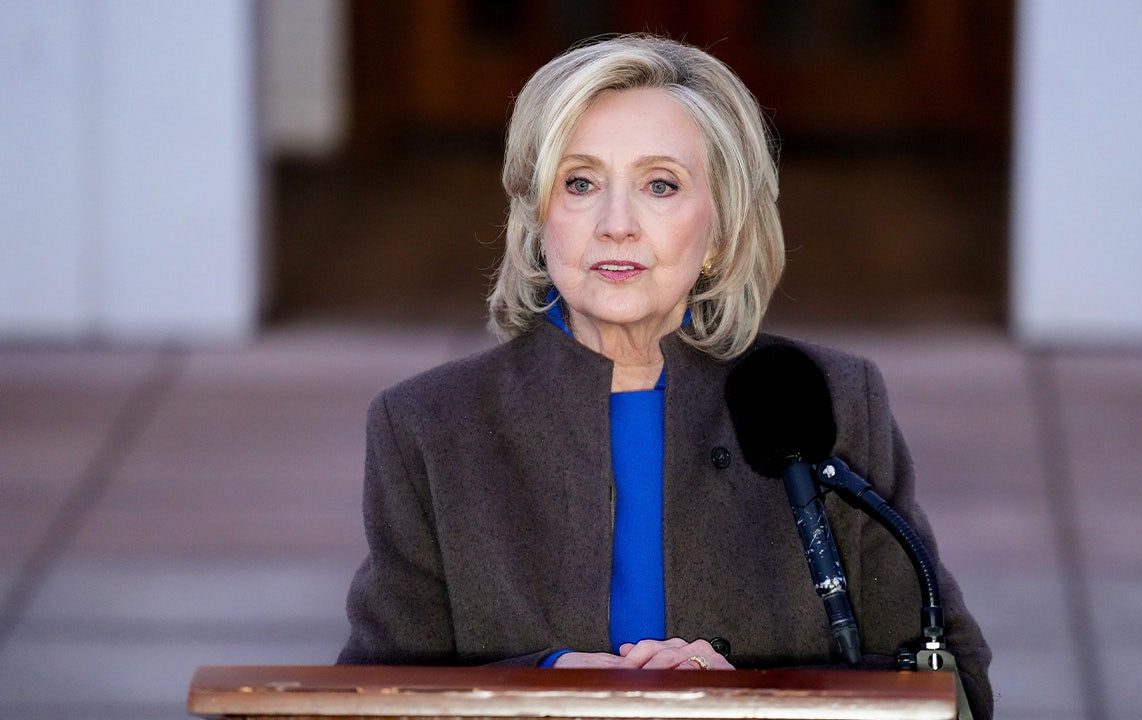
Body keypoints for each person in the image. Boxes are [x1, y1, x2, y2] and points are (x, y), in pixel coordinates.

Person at [338, 33, 993, 718]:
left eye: (660, 184)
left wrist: (747, 700)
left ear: (720, 226)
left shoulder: (827, 397)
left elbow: (956, 690)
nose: (616, 224)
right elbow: (369, 698)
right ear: (537, 214)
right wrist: (541, 685)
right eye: (580, 182)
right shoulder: (430, 425)